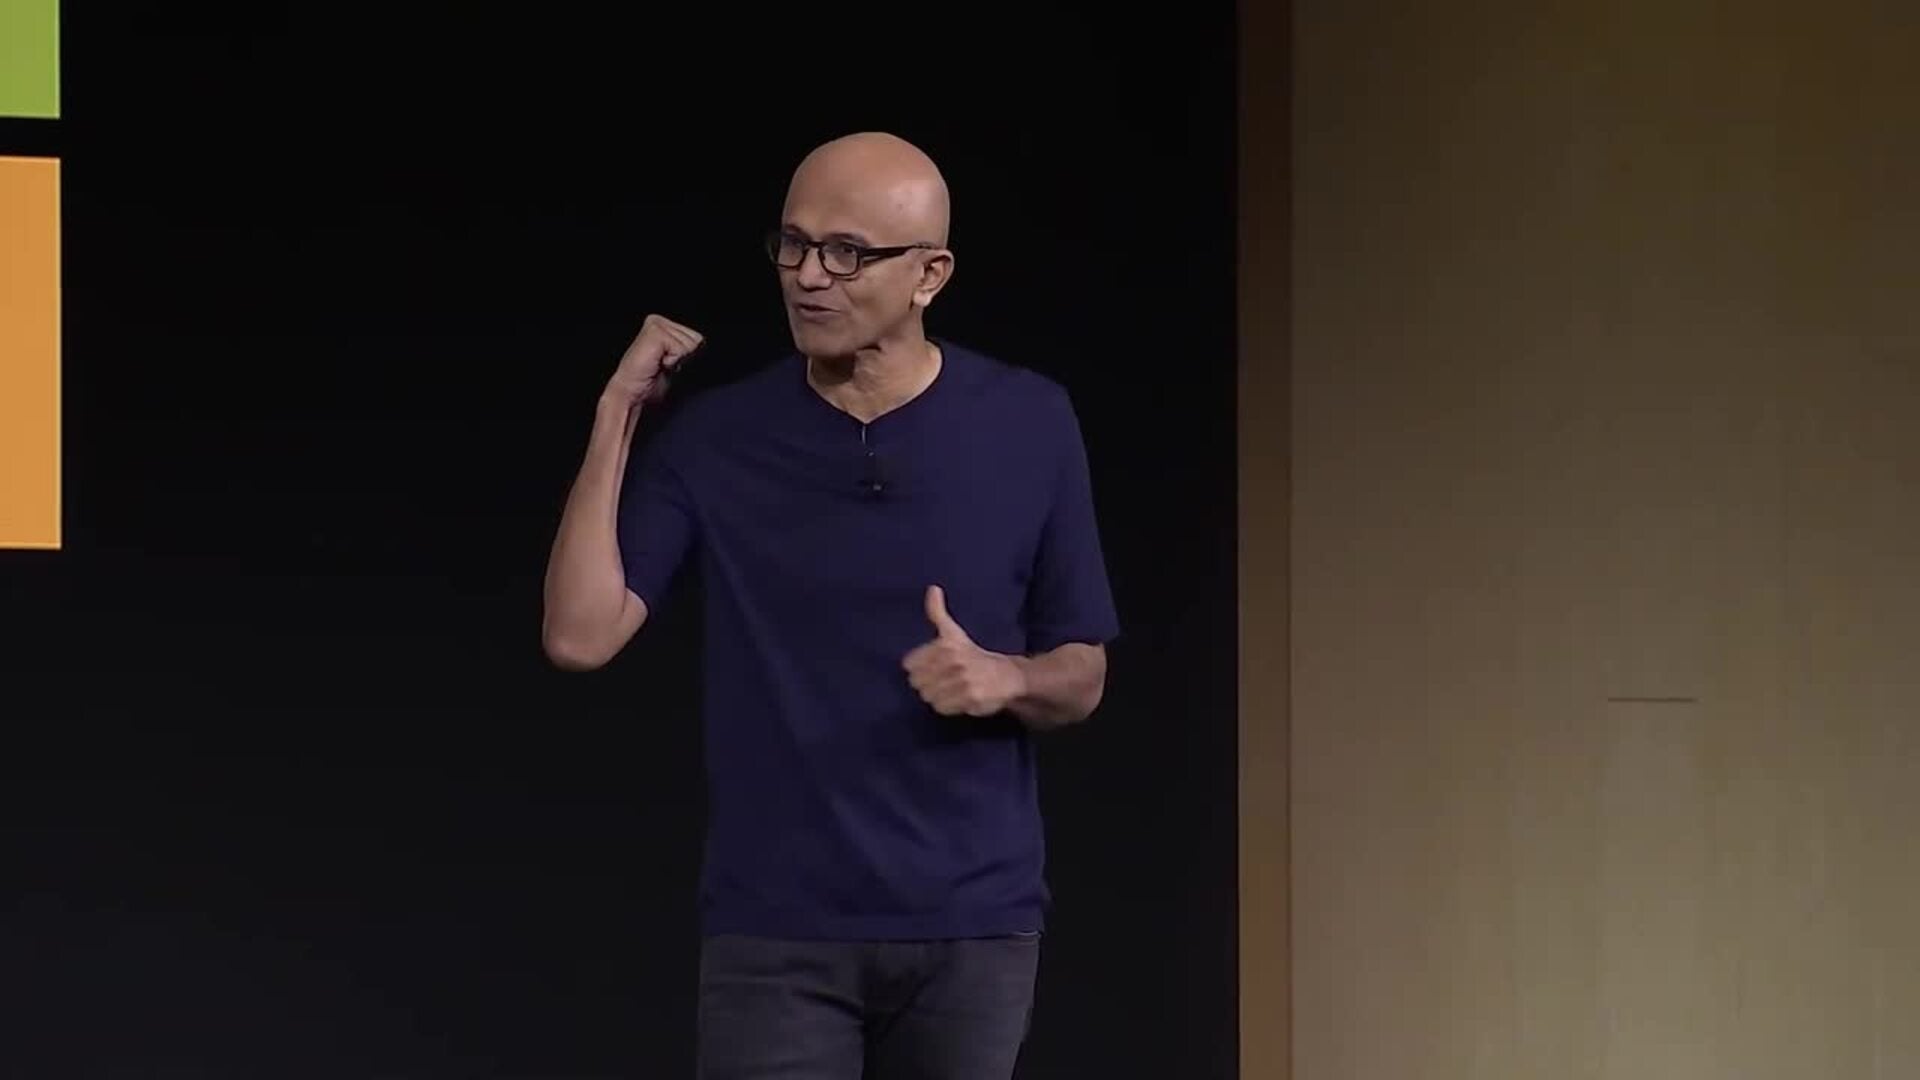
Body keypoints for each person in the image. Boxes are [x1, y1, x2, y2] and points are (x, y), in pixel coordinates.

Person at [539, 131, 1120, 1079]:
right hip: (777, 933)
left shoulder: (1030, 422)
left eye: (847, 253)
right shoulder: (721, 437)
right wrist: (618, 416)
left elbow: (1082, 673)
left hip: (972, 929)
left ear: (929, 274)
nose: (809, 276)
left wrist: (1005, 678)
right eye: (794, 245)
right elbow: (580, 634)